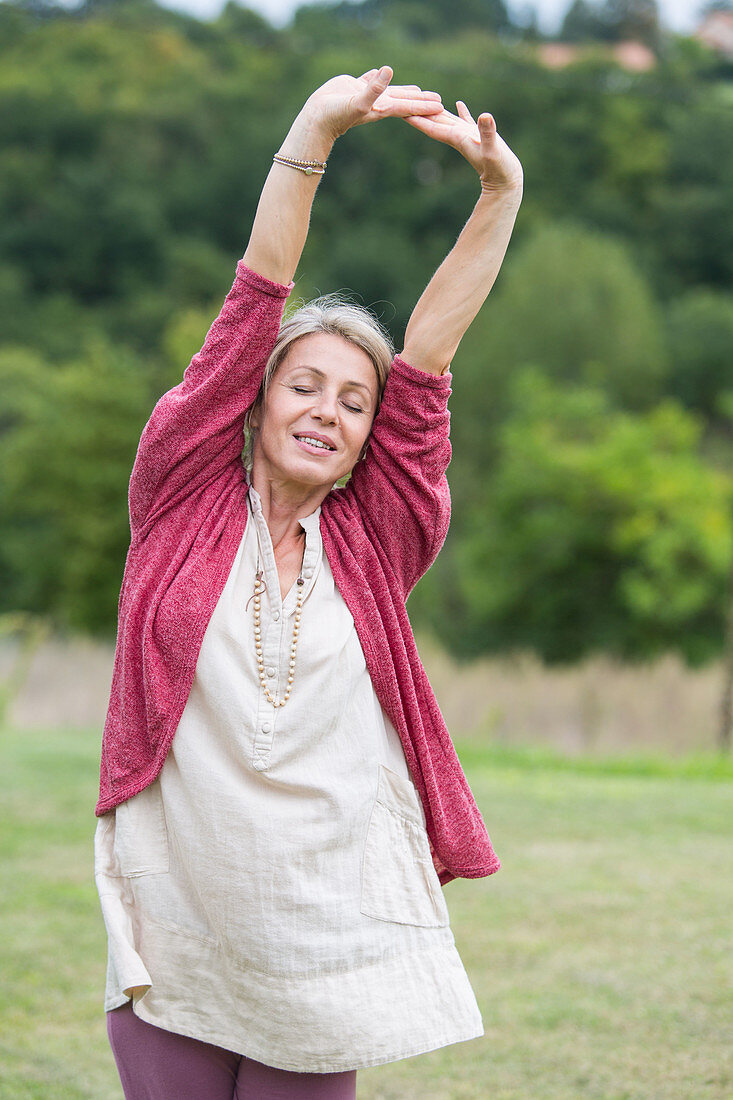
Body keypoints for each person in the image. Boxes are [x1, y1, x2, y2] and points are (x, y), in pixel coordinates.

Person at [94, 65, 523, 1100]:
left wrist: (499, 196)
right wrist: (312, 133)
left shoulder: (377, 537)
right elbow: (253, 302)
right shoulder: (183, 494)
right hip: (180, 920)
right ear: (254, 401)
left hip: (324, 937)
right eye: (304, 384)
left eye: (354, 401)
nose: (329, 410)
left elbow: (427, 365)